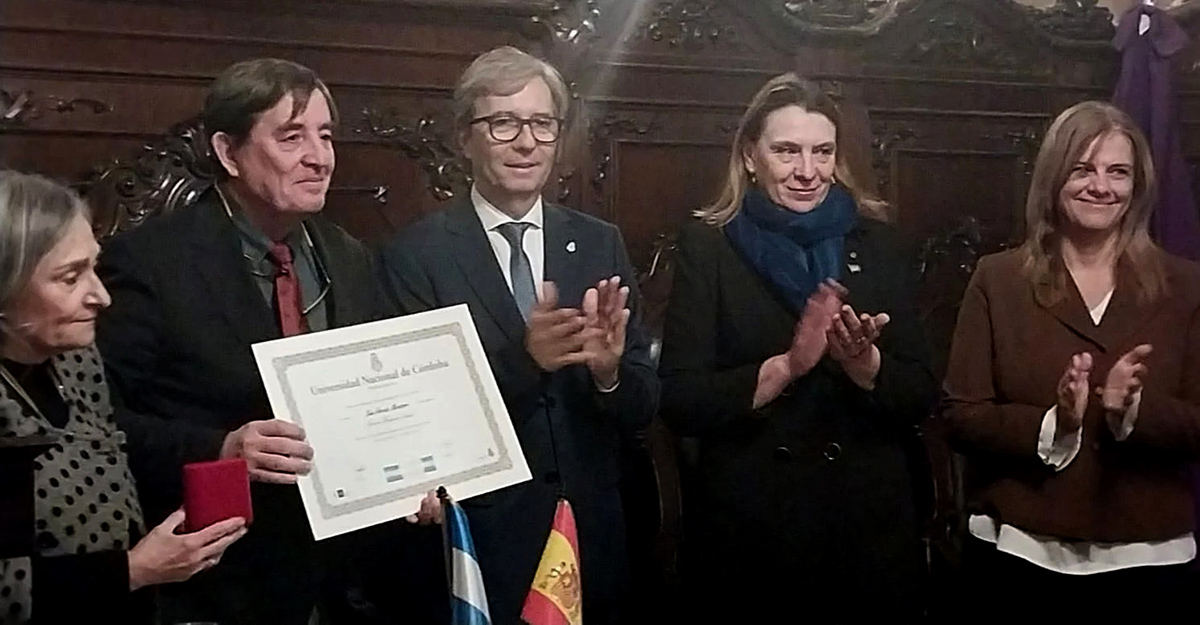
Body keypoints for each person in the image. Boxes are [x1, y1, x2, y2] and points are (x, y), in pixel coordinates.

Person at [95, 58, 441, 625]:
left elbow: (381, 400)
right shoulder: (151, 263)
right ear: (228, 153)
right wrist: (220, 448)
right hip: (216, 586)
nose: (319, 157)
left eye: (325, 136)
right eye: (291, 136)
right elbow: (99, 426)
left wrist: (412, 480)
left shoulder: (350, 257)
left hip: (343, 584)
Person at [378, 46, 659, 624]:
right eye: (503, 123)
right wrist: (525, 361)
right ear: (465, 138)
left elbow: (643, 406)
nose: (526, 142)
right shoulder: (416, 254)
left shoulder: (599, 242)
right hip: (482, 544)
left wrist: (608, 374)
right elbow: (411, 418)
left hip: (594, 534)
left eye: (541, 124)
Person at [657, 73, 936, 620]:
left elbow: (922, 393)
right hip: (753, 529)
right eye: (786, 151)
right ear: (750, 157)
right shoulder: (709, 244)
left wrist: (865, 365)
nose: (807, 172)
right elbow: (682, 400)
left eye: (822, 152)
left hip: (868, 529)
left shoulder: (877, 243)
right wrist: (787, 367)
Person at [943, 101, 1200, 618]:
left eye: (1117, 172)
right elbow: (960, 415)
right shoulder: (999, 280)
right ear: (1053, 178)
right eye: (1082, 168)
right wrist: (1054, 423)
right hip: (1019, 557)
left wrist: (1131, 411)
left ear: (1138, 187)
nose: (1100, 186)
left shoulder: (1186, 286)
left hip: (1148, 562)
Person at [0, 171, 246, 623]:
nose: (102, 296)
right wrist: (133, 570)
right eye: (70, 277)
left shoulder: (76, 360)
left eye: (94, 267)